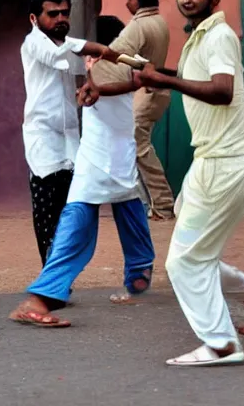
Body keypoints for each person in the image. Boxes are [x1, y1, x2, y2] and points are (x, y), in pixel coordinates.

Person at [79, 0, 244, 366]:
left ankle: (221, 344)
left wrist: (164, 80)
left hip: (224, 166)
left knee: (184, 262)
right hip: (212, 164)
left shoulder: (218, 35)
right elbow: (173, 77)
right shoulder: (197, 38)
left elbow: (221, 91)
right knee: (197, 255)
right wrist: (116, 84)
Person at [9, 16, 155, 327]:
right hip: (118, 147)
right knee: (127, 204)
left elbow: (102, 85)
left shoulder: (105, 64)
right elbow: (128, 79)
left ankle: (43, 295)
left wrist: (97, 83)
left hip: (100, 150)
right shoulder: (127, 64)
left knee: (78, 217)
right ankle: (139, 269)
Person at [21, 0, 118, 266]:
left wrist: (89, 85)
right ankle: (51, 280)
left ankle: (61, 276)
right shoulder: (34, 43)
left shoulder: (66, 45)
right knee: (47, 217)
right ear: (34, 19)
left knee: (72, 213)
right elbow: (59, 55)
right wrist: (100, 49)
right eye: (53, 14)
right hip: (43, 142)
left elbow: (81, 75)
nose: (61, 18)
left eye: (65, 12)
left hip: (70, 141)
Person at [108, 0, 174, 220]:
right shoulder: (159, 21)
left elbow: (114, 53)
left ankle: (162, 204)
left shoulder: (139, 25)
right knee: (138, 145)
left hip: (146, 93)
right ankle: (155, 204)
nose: (127, 2)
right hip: (157, 92)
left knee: (138, 145)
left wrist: (136, 64)